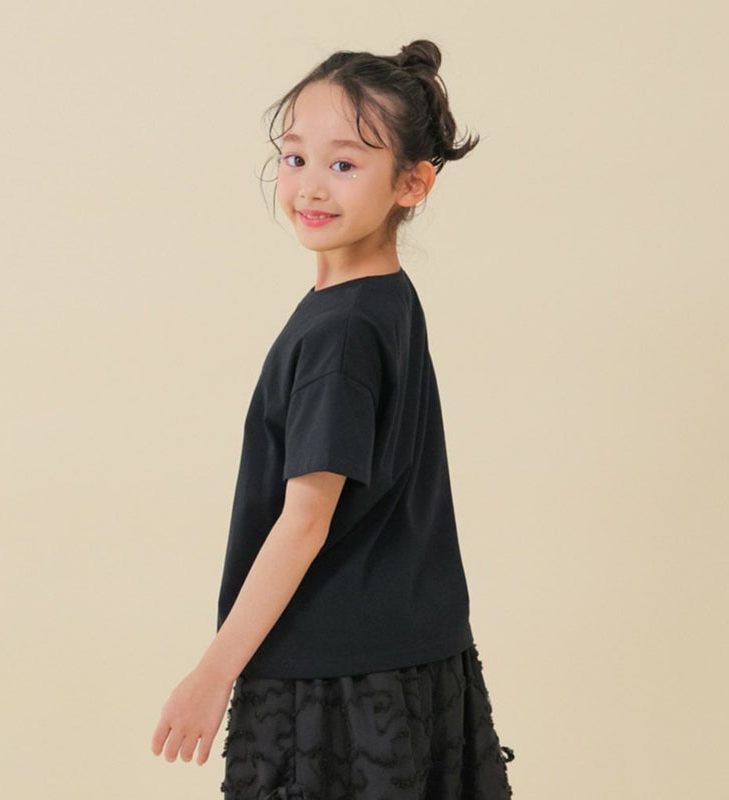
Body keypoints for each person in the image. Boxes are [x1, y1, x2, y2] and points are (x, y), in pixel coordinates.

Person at [151, 39, 515, 799]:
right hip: (415, 658)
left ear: (412, 182)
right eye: (295, 158)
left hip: (334, 686)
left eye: (344, 164)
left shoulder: (340, 332)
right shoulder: (386, 298)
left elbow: (305, 520)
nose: (310, 186)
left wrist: (211, 674)